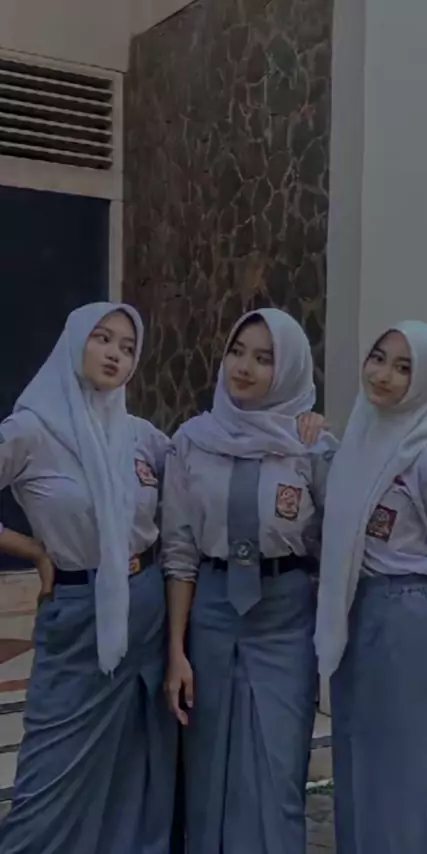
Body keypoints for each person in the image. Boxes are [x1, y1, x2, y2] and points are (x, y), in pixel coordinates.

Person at [0, 302, 177, 854]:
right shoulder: (32, 429)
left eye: (128, 347)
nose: (115, 354)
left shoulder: (141, 436)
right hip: (79, 615)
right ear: (74, 341)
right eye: (103, 338)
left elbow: (203, 476)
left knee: (137, 761)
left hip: (147, 607)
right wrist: (33, 549)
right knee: (50, 773)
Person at [163, 308, 337, 854]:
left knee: (275, 767)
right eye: (237, 352)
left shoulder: (311, 448)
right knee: (208, 766)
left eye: (264, 359)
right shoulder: (191, 442)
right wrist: (176, 650)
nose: (244, 367)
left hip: (285, 616)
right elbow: (180, 552)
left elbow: (337, 543)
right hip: (212, 613)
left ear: (288, 371)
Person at [315, 321, 427, 854]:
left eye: (404, 368)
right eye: (378, 358)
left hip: (408, 619)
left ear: (425, 381)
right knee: (362, 765)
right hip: (356, 617)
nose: (383, 375)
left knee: (414, 772)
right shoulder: (359, 443)